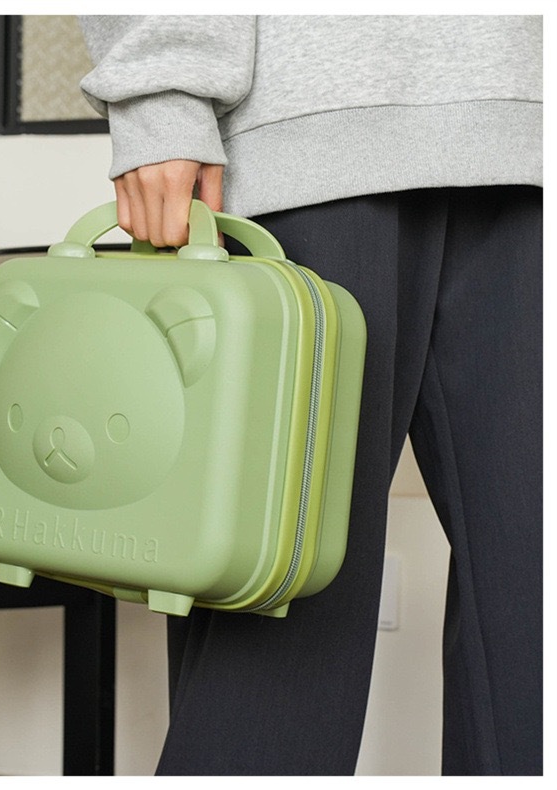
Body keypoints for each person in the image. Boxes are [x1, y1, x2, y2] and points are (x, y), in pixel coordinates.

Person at [77, 15, 543, 776]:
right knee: (278, 606)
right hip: (302, 142)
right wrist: (158, 100)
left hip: (530, 145)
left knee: (536, 610)